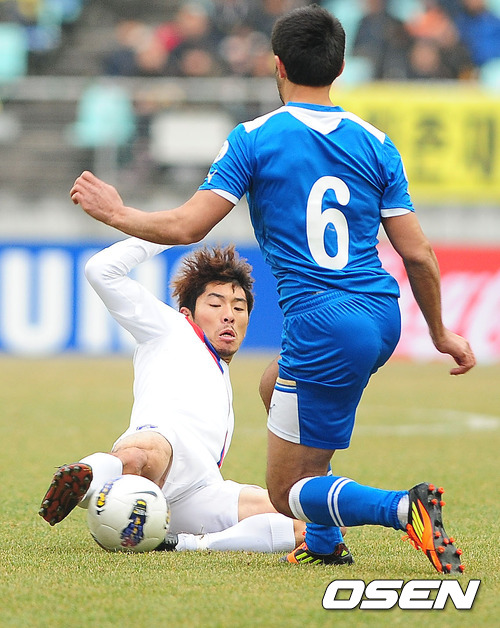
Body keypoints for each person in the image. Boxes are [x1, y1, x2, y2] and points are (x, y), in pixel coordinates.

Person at [69, 4, 476, 573]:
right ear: (339, 68)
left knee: (286, 493)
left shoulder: (255, 138)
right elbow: (418, 254)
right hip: (381, 314)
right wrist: (439, 331)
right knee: (273, 383)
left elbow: (187, 227)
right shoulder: (377, 143)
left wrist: (117, 213)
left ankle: (403, 508)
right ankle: (325, 543)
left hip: (323, 322)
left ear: (276, 64)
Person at [39, 238, 310, 555]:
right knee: (146, 451)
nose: (229, 315)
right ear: (187, 313)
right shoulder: (171, 329)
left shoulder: (221, 374)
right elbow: (101, 270)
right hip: (153, 461)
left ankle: (185, 544)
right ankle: (89, 478)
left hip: (199, 491)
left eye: (239, 307)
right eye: (215, 304)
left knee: (315, 521)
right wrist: (169, 233)